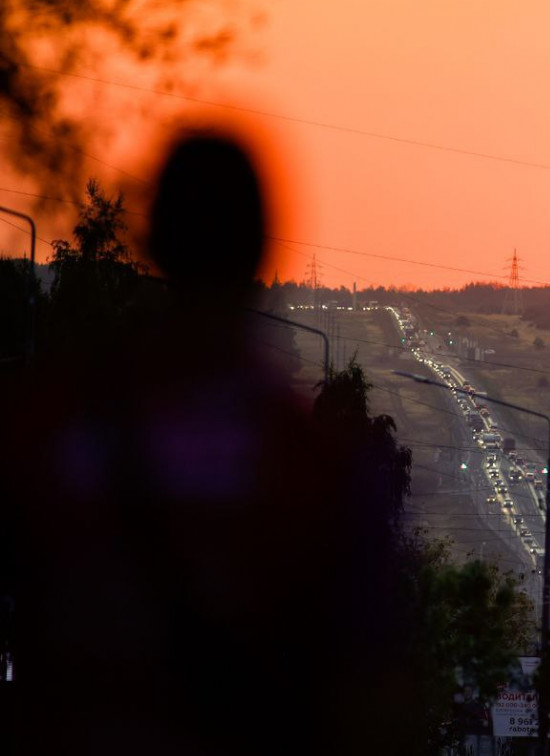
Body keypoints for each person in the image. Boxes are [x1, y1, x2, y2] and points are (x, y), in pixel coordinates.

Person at [3, 132, 399, 754]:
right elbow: (362, 693)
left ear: (152, 245)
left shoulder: (50, 426)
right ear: (261, 256)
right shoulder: (312, 465)